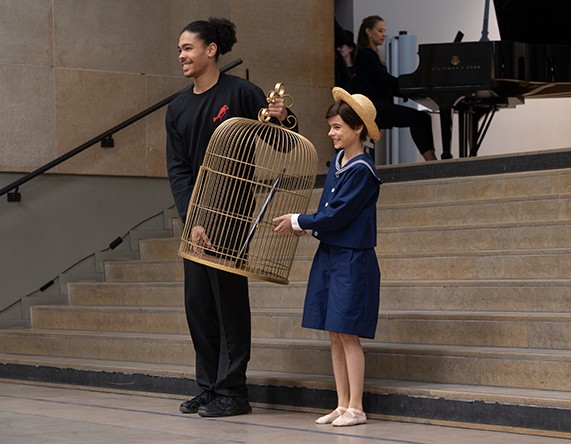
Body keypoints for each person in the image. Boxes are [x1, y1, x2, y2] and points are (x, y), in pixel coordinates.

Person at [165, 17, 293, 418]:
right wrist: (192, 218)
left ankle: (234, 392)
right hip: (196, 221)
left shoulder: (242, 93)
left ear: (211, 50)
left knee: (228, 305)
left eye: (188, 48)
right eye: (180, 50)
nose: (182, 56)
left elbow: (281, 142)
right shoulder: (178, 107)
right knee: (198, 306)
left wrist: (283, 118)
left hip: (234, 213)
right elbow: (179, 170)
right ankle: (208, 387)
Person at [273, 87, 382, 427]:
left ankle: (357, 407)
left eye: (337, 127)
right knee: (334, 331)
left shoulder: (362, 169)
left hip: (352, 258)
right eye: (331, 126)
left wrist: (298, 221)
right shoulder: (338, 161)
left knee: (348, 332)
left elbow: (337, 215)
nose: (331, 133)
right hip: (330, 255)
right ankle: (341, 402)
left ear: (357, 129)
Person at [347, 15, 437, 161]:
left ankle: (431, 158)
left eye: (384, 31)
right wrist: (410, 87)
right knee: (417, 118)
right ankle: (431, 160)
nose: (383, 34)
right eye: (380, 30)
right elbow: (383, 79)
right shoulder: (366, 54)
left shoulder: (370, 54)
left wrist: (409, 91)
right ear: (368, 31)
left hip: (376, 104)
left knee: (423, 117)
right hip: (372, 106)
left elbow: (383, 82)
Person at [334, 20, 356, 88]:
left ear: (350, 49)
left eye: (341, 47)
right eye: (337, 47)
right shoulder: (336, 67)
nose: (338, 49)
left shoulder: (356, 68)